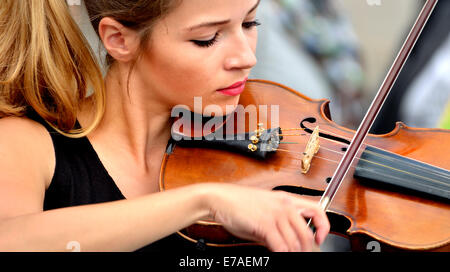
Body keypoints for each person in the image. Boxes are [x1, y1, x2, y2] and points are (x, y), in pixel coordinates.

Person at [0, 0, 330, 252]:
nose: (246, 57)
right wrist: (204, 200)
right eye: (208, 38)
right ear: (119, 40)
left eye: (249, 23)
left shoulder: (248, 149)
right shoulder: (27, 143)